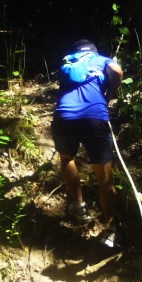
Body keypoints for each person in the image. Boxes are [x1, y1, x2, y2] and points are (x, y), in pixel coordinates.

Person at [52, 39, 124, 246]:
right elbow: (117, 71)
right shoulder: (100, 59)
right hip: (95, 117)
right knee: (104, 176)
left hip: (64, 116)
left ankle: (80, 205)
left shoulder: (67, 62)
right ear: (93, 51)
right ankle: (110, 227)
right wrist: (109, 95)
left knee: (67, 158)